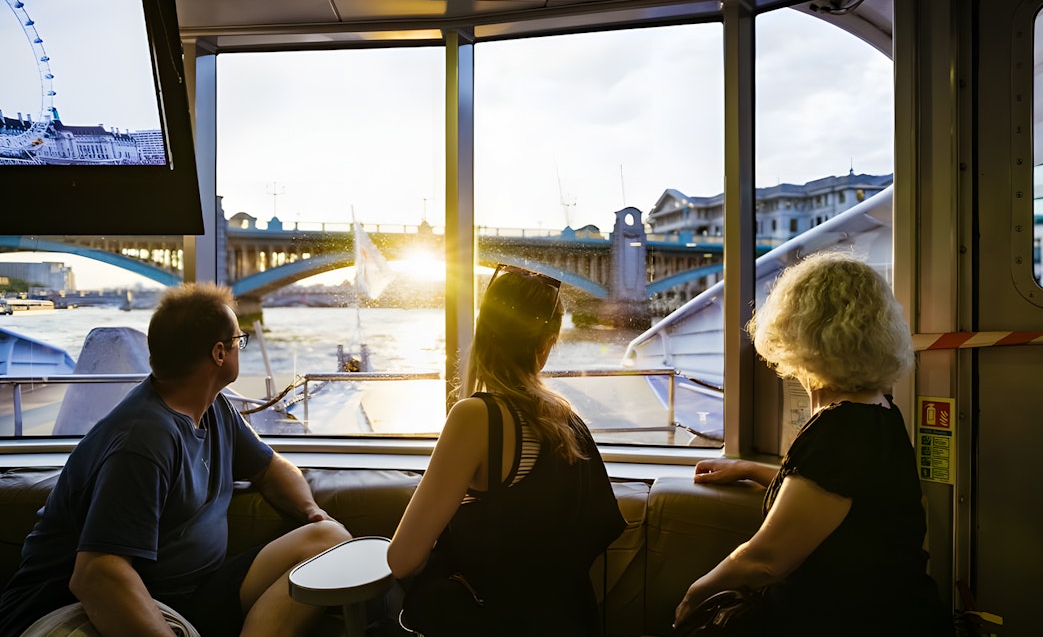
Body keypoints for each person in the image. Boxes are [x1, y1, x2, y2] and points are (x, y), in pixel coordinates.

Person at [0, 283, 352, 637]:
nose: (239, 348)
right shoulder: (143, 441)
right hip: (71, 609)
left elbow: (270, 467)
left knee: (328, 539)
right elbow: (97, 575)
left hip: (192, 595)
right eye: (238, 341)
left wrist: (311, 513)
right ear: (219, 353)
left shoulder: (215, 409)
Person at [674, 252, 952, 636]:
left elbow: (766, 561)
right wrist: (752, 469)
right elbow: (840, 491)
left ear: (797, 332)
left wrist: (693, 596)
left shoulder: (841, 427)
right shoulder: (878, 408)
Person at [387, 264, 625, 636]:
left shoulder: (477, 417)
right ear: (547, 343)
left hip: (494, 619)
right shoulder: (566, 420)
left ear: (483, 334)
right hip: (569, 619)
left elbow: (401, 560)